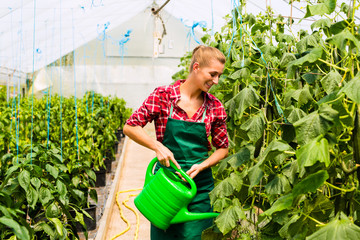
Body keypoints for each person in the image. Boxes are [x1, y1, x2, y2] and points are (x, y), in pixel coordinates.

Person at [123, 45, 229, 239]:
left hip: (200, 189)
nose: (216, 81)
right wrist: (158, 146)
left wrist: (202, 165)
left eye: (219, 75)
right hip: (167, 186)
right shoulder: (163, 97)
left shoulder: (215, 107)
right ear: (196, 67)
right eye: (213, 74)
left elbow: (222, 148)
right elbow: (130, 127)